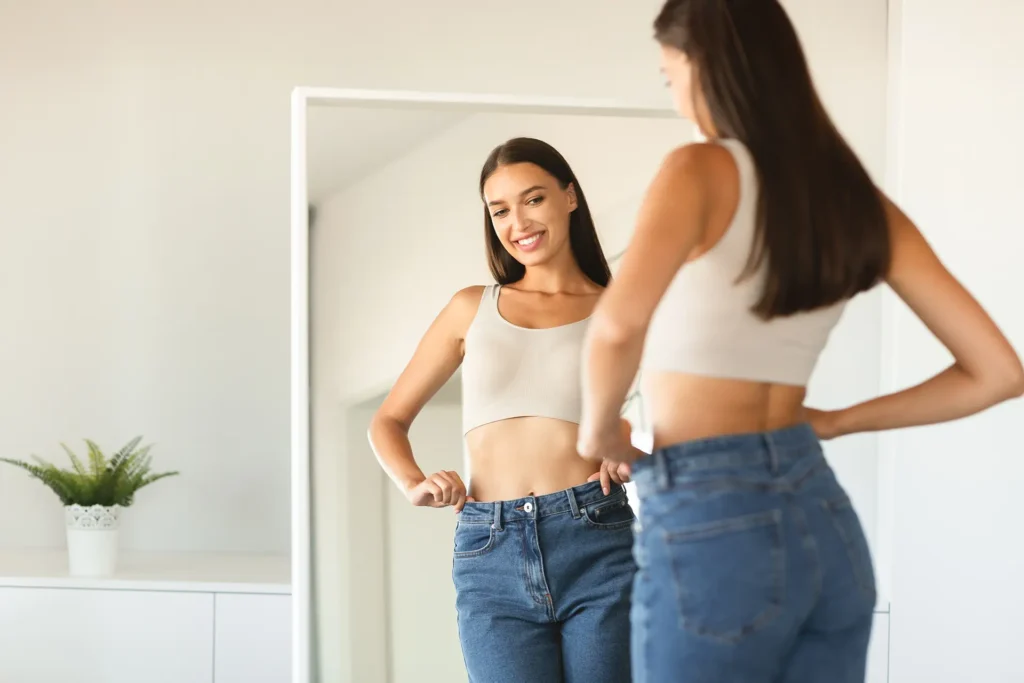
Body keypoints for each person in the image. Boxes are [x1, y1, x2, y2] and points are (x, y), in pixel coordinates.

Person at [576, 1, 1024, 682]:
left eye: (671, 78)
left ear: (701, 66)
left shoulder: (699, 169)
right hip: (822, 519)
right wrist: (837, 422)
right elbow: (997, 371)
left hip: (710, 514)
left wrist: (598, 435)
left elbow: (615, 325)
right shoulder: (853, 201)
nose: (677, 100)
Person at [368, 137, 637, 683]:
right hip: (489, 546)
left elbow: (680, 421)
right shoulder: (472, 307)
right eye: (500, 210)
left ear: (569, 197)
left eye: (533, 199)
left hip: (595, 534)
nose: (518, 222)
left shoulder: (620, 310)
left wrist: (629, 449)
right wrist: (412, 483)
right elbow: (387, 421)